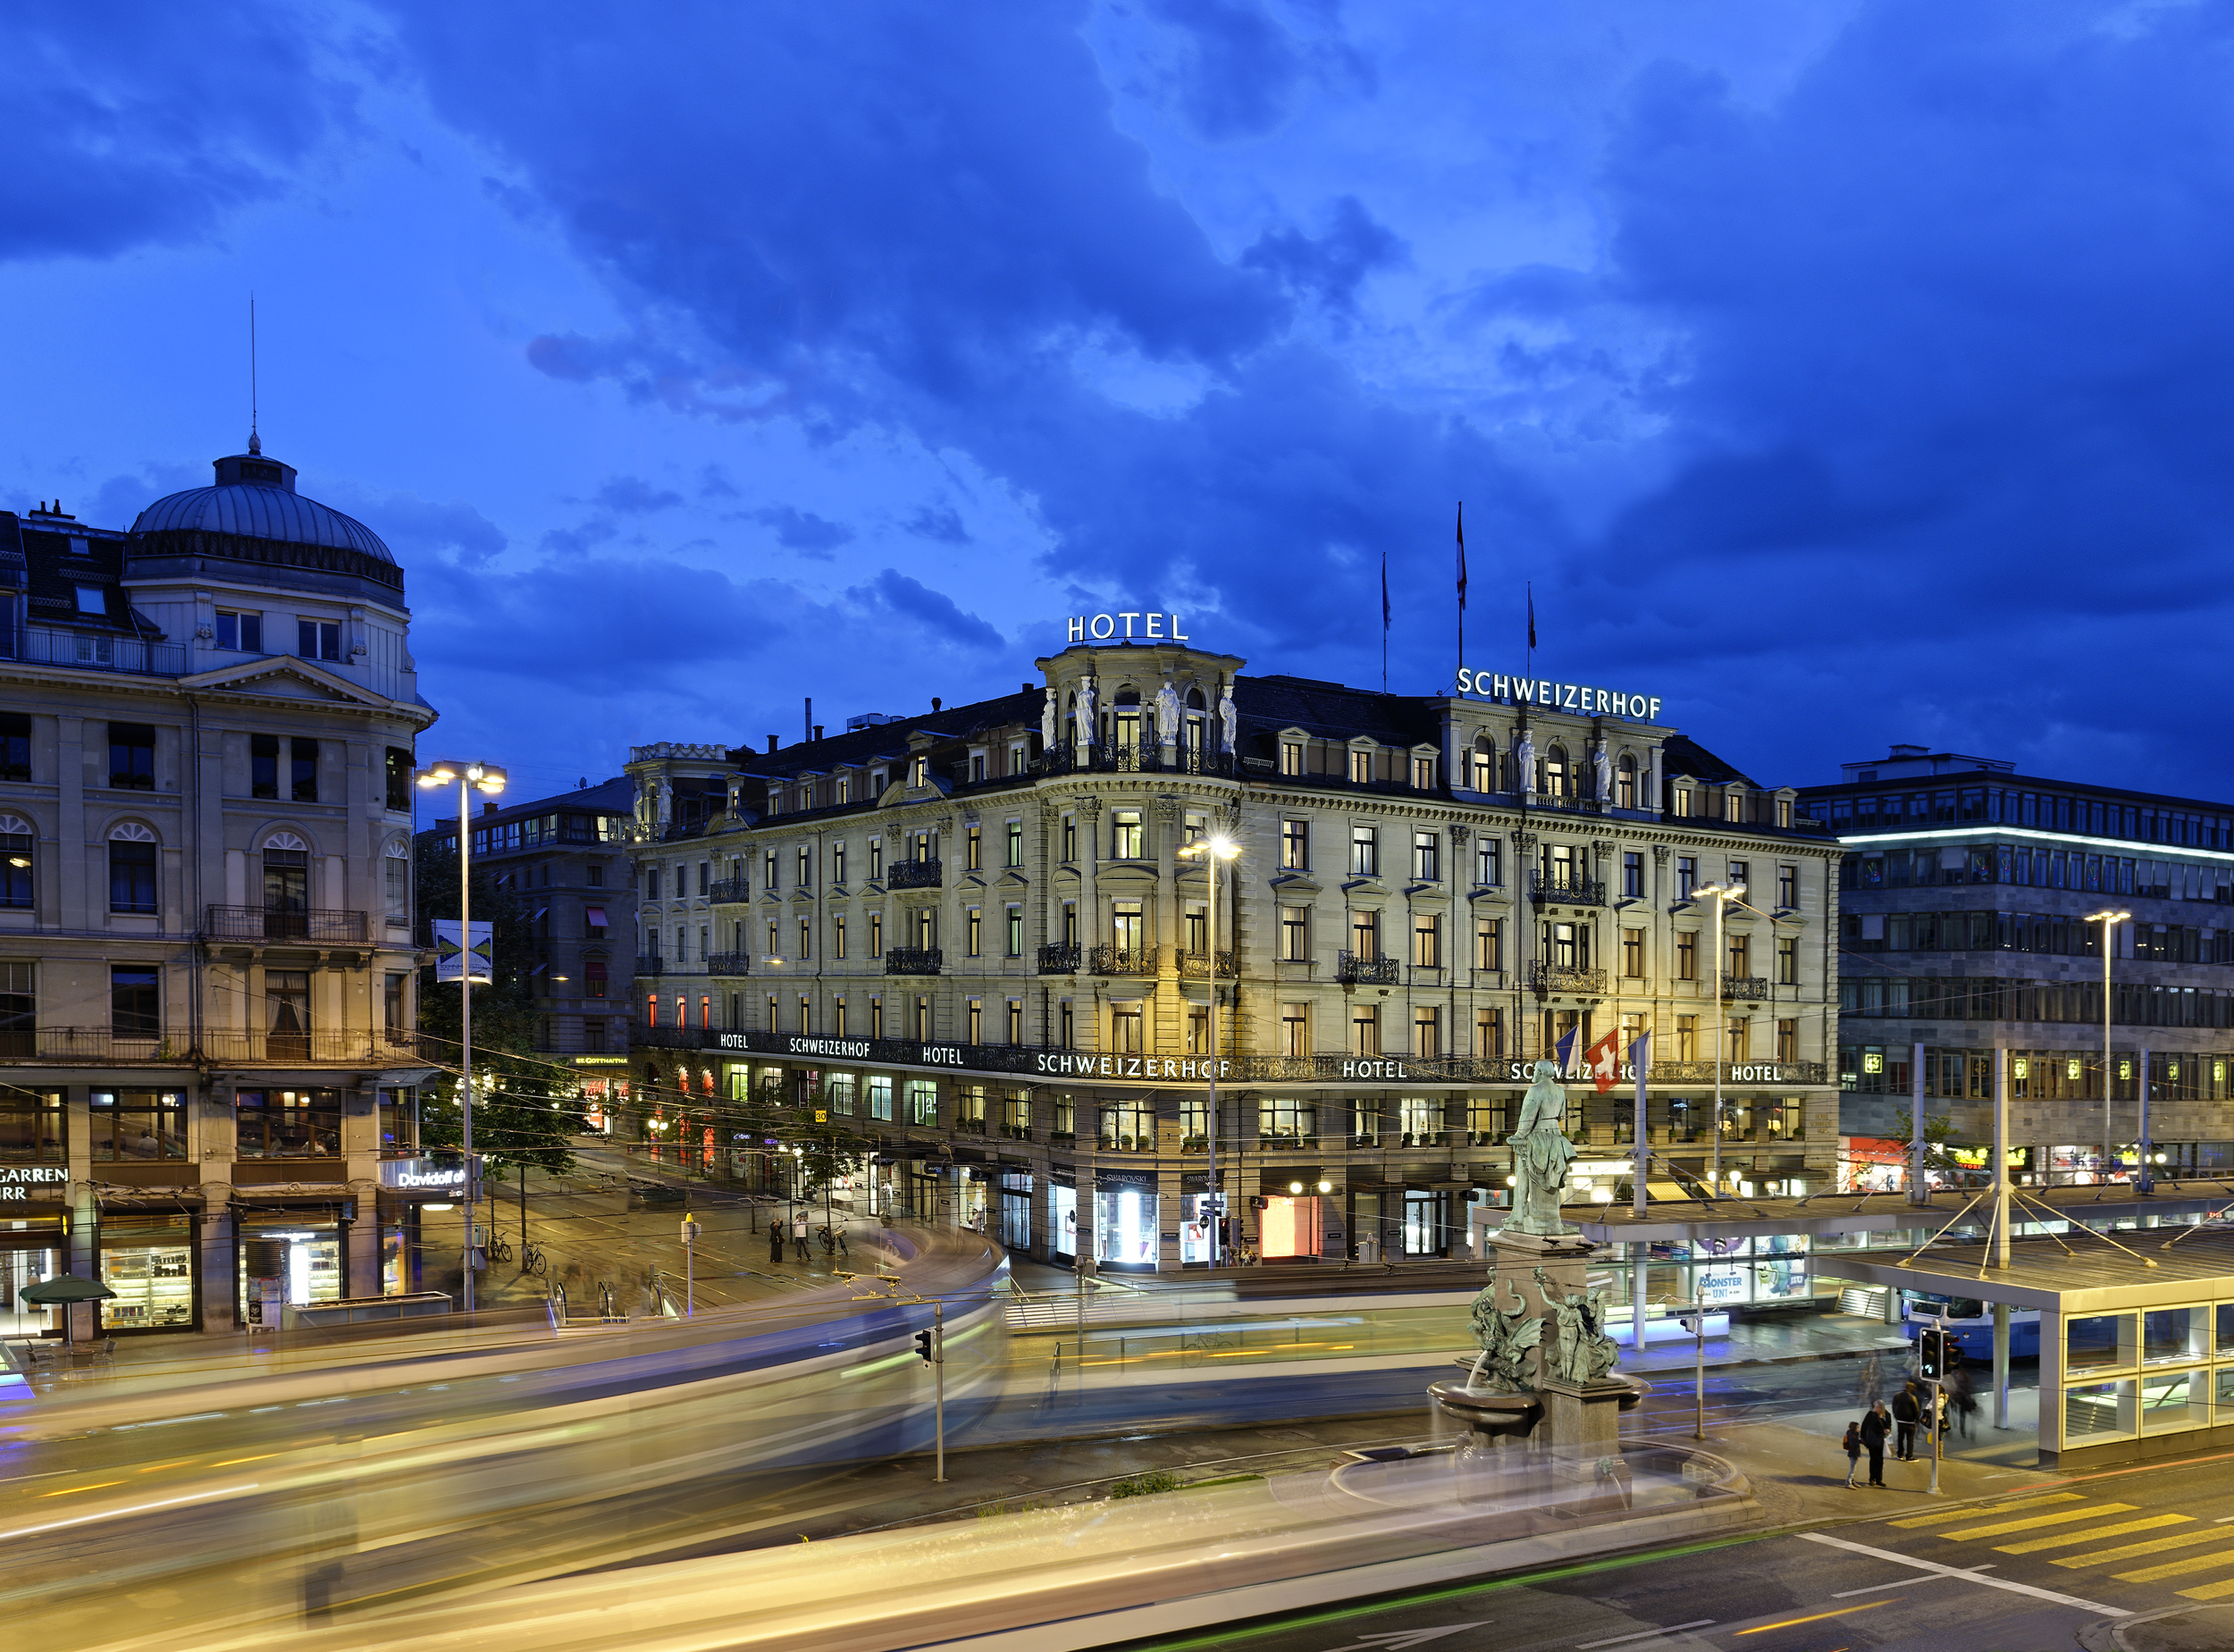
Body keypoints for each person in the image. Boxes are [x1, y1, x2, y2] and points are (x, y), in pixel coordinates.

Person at [1860, 1401, 1891, 1488]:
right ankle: (1872, 1478)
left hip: (1881, 1440)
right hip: (1872, 1440)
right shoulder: (1871, 1414)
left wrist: (1888, 1430)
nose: (1876, 1409)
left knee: (1880, 1459)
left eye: (1878, 1408)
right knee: (1873, 1459)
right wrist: (1863, 1438)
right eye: (1875, 1407)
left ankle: (1879, 1479)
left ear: (1882, 1408)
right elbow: (1864, 1426)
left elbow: (1889, 1425)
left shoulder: (1887, 1415)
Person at [1892, 1381, 1921, 1461]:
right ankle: (1909, 1456)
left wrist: (1896, 1416)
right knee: (1910, 1440)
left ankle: (1900, 1454)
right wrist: (1917, 1421)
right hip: (1910, 1422)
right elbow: (1916, 1410)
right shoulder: (1912, 1397)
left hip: (1900, 1421)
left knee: (1900, 1438)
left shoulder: (1897, 1395)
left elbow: (1894, 1407)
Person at [1841, 1418, 1864, 1488]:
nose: (1859, 1429)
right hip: (1853, 1454)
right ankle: (1848, 1483)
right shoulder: (1853, 1436)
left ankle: (1852, 1481)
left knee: (1853, 1468)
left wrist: (1860, 1441)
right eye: (1858, 1428)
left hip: (1852, 1454)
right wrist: (1857, 1456)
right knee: (1853, 1469)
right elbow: (1854, 1446)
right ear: (1854, 1428)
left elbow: (1855, 1443)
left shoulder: (1854, 1435)